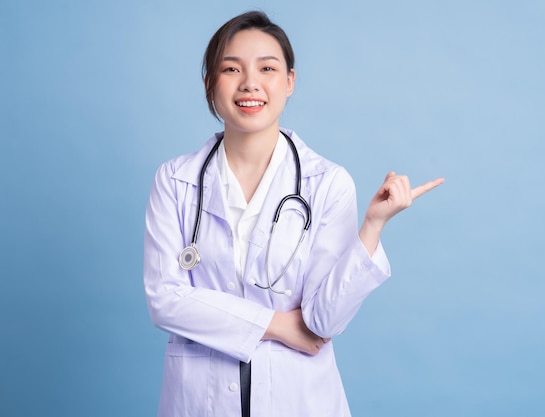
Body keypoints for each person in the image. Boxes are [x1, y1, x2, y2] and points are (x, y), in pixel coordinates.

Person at [143, 10, 444, 417]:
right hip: (201, 400)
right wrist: (278, 325)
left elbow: (322, 322)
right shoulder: (176, 180)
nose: (250, 83)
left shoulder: (327, 183)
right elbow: (165, 301)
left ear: (289, 82)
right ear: (210, 84)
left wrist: (372, 226)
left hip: (298, 399)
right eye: (231, 68)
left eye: (267, 68)